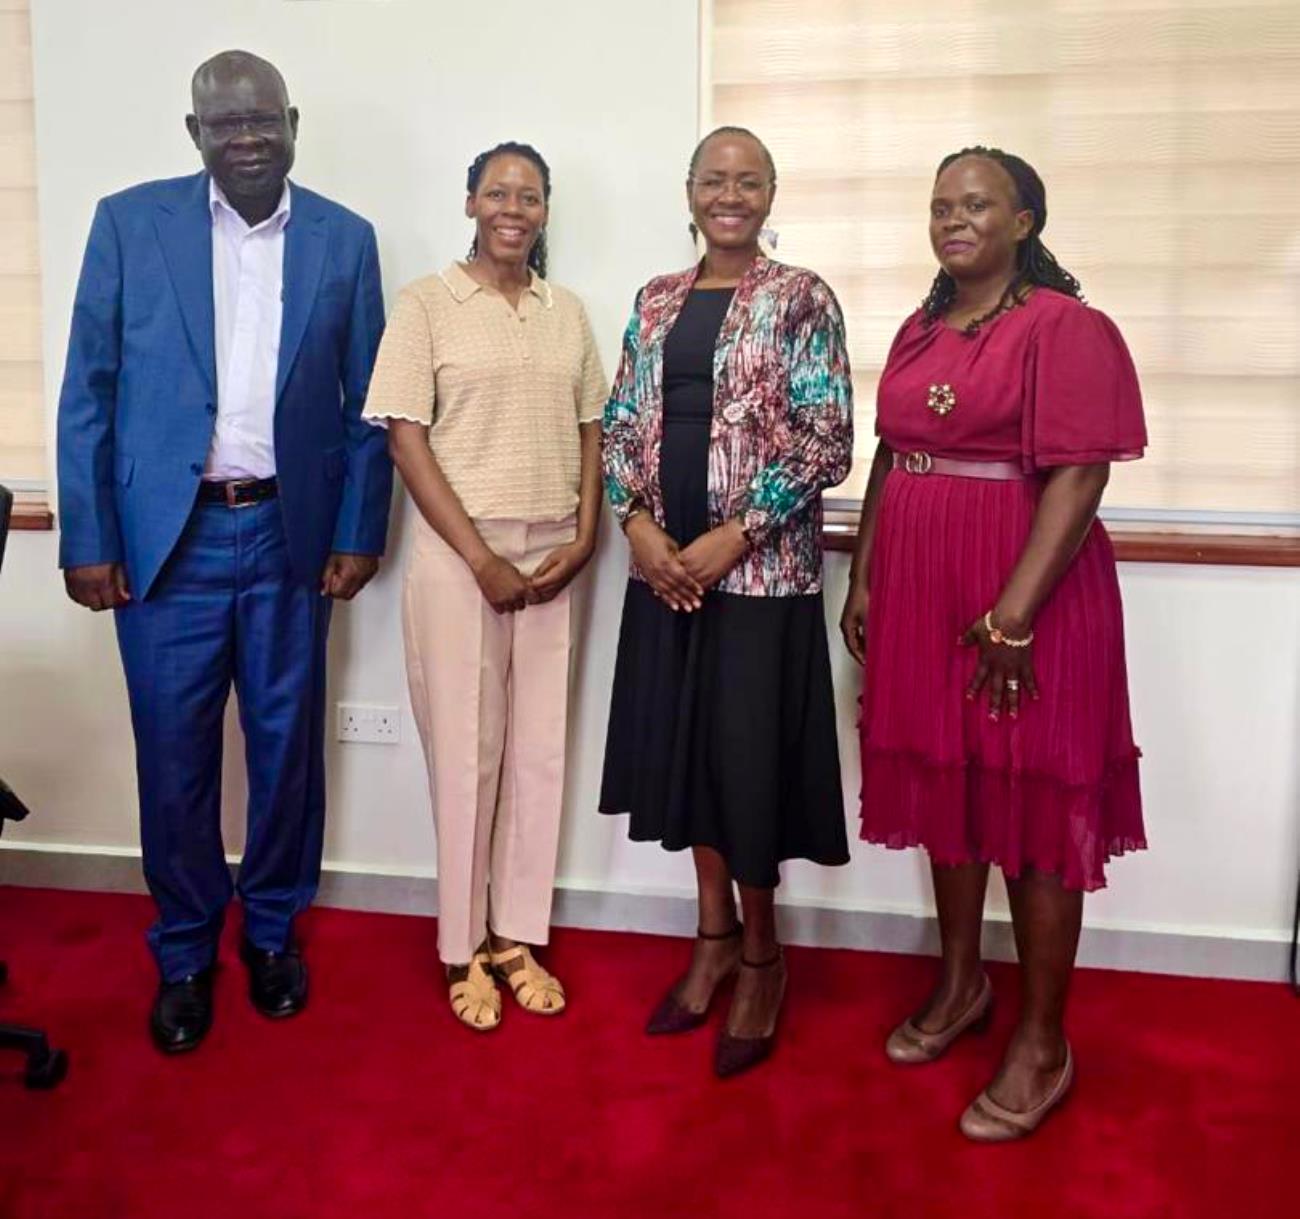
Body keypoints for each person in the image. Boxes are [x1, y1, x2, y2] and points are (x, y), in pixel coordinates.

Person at [56, 51, 391, 1053]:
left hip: (290, 532)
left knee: (288, 756)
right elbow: (90, 390)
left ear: (292, 121)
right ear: (192, 132)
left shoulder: (346, 238)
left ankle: (276, 932)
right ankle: (187, 949)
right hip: (169, 543)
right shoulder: (129, 223)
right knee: (174, 759)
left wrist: (355, 529)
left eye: (262, 120)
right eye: (224, 123)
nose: (246, 139)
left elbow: (368, 406)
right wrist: (90, 535)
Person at [841, 146, 1147, 1140]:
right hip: (922, 591)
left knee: (1031, 803)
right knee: (945, 784)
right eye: (940, 206)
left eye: (976, 204)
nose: (953, 219)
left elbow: (1079, 475)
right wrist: (866, 574)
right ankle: (962, 984)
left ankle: (1041, 1040)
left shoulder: (1066, 328)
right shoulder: (923, 326)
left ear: (1025, 220)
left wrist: (1014, 615)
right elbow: (895, 451)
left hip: (1029, 594)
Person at [600, 126, 853, 1078]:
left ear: (771, 193)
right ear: (691, 191)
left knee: (747, 768)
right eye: (715, 179)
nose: (731, 194)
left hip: (756, 578)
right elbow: (623, 424)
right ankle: (709, 938)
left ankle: (761, 954)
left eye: (749, 180)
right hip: (662, 575)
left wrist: (730, 537)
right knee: (687, 761)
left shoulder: (801, 298)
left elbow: (826, 439)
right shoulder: (656, 299)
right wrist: (639, 529)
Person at [364, 143, 606, 1032]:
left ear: (546, 211)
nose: (513, 207)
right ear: (470, 201)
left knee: (539, 752)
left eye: (530, 195)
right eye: (498, 191)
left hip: (553, 554)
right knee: (469, 752)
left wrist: (584, 537)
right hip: (457, 556)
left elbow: (591, 429)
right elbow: (405, 439)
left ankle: (516, 935)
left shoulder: (564, 311)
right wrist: (481, 558)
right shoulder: (426, 304)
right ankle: (460, 943)